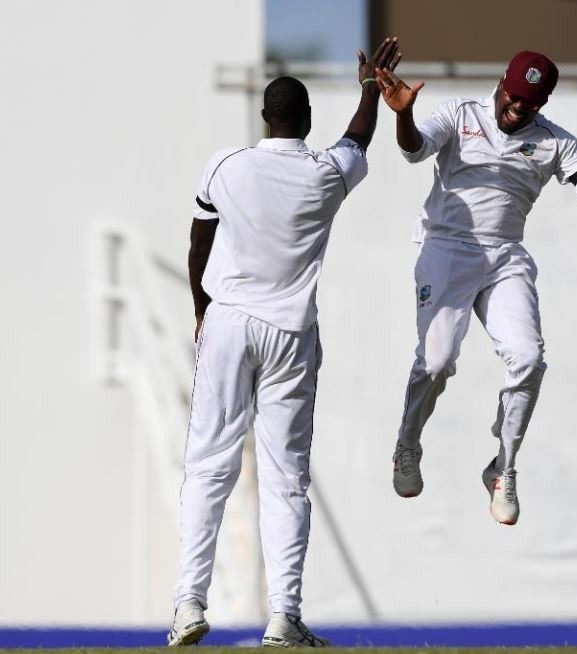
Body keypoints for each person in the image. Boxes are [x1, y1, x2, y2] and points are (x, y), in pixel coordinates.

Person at [167, 38, 401, 648]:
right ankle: (283, 616)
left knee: (206, 464)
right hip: (289, 334)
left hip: (227, 322)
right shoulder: (325, 171)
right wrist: (371, 88)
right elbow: (359, 139)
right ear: (305, 121)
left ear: (265, 119)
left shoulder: (227, 165)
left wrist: (200, 309)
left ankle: (188, 604)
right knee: (285, 475)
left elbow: (198, 244)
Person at [374, 51, 577, 525]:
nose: (518, 108)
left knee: (528, 358)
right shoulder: (462, 115)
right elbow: (416, 149)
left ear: (543, 103)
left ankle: (503, 468)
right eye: (514, 97)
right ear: (501, 84)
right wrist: (404, 115)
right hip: (447, 247)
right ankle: (407, 444)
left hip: (505, 255)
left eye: (531, 103)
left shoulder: (553, 141)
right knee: (436, 362)